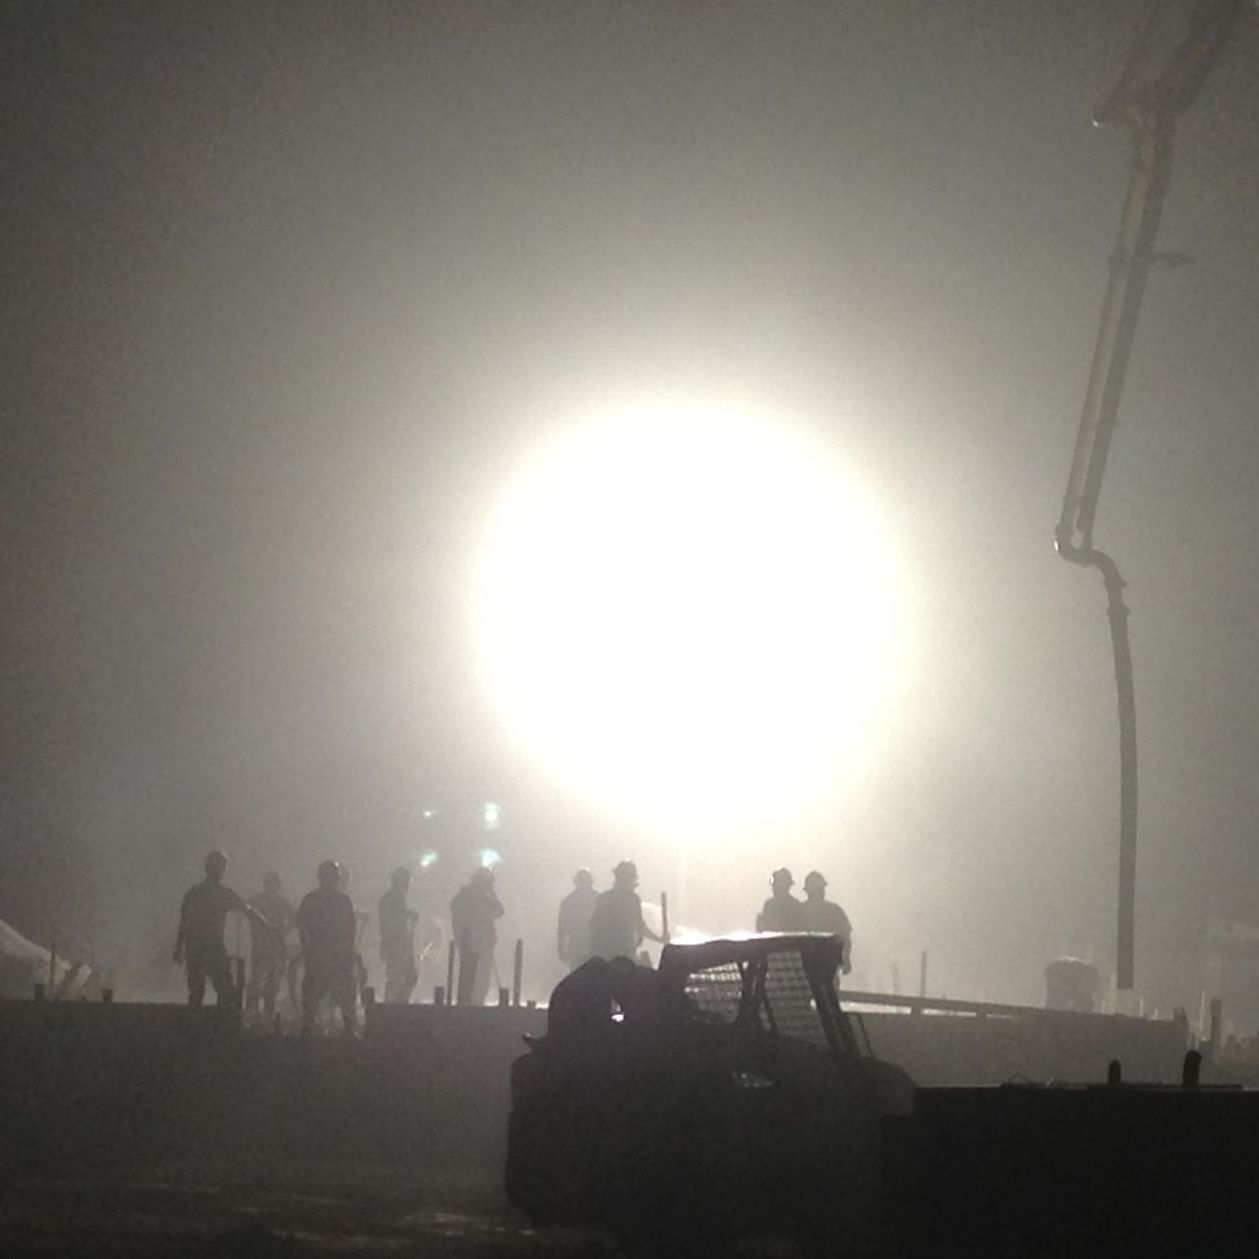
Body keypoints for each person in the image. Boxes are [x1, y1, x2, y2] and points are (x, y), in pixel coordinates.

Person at [173, 851, 272, 1007]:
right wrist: (267, 925)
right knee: (225, 992)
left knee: (197, 993)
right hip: (213, 948)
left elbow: (184, 922)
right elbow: (248, 911)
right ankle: (219, 1020)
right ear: (219, 870)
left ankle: (196, 1021)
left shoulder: (193, 893)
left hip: (196, 948)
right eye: (221, 868)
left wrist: (179, 947)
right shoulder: (223, 894)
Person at [297, 860, 359, 1034]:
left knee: (339, 993)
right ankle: (343, 1029)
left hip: (329, 954)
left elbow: (350, 929)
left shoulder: (316, 899)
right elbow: (302, 926)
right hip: (326, 954)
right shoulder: (338, 900)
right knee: (321, 992)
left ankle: (344, 1028)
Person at [589, 860, 665, 962]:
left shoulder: (603, 898)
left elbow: (593, 926)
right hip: (624, 952)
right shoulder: (632, 899)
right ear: (630, 880)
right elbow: (640, 927)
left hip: (604, 953)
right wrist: (658, 939)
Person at [450, 866, 505, 1006]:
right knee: (475, 978)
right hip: (473, 944)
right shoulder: (472, 898)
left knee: (480, 978)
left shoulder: (466, 897)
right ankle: (472, 1006)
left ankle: (474, 1004)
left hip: (479, 944)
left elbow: (499, 911)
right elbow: (498, 911)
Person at [246, 871, 295, 1018]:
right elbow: (243, 908)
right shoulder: (256, 900)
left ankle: (268, 1009)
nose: (271, 886)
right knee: (257, 977)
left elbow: (295, 917)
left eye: (273, 883)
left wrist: (284, 930)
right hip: (261, 945)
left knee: (272, 979)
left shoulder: (282, 903)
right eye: (269, 882)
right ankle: (253, 1009)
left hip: (276, 946)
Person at [378, 866, 418, 1005]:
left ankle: (398, 1005)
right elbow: (391, 921)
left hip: (399, 944)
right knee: (397, 978)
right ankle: (392, 1008)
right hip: (395, 945)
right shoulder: (391, 899)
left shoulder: (395, 899)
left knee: (406, 977)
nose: (407, 885)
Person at [800, 870, 853, 974]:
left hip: (825, 963)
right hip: (814, 963)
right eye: (819, 889)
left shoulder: (800, 910)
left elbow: (845, 937)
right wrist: (845, 957)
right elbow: (845, 937)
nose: (821, 892)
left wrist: (845, 956)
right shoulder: (800, 911)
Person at [556, 869, 598, 972]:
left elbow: (605, 924)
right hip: (577, 944)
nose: (583, 884)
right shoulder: (568, 901)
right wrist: (561, 946)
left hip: (593, 944)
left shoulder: (599, 899)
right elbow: (562, 926)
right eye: (581, 880)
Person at [756, 867, 806, 932]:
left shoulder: (795, 906)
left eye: (778, 885)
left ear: (787, 886)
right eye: (775, 886)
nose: (775, 888)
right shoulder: (769, 905)